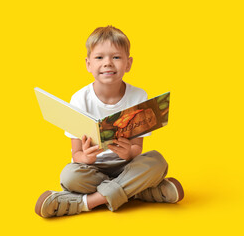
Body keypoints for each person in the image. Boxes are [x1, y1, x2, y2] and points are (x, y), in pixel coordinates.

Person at [35, 25, 184, 218]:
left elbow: (137, 149)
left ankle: (86, 202)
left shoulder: (139, 96)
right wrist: (86, 159)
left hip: (126, 166)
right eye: (99, 57)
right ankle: (139, 191)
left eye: (116, 57)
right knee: (70, 176)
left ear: (128, 64)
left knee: (157, 162)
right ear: (88, 64)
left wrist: (129, 153)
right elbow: (76, 153)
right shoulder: (79, 99)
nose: (108, 63)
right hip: (92, 170)